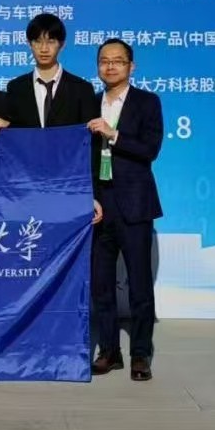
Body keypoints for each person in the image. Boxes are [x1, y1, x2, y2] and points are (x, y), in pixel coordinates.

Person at [86, 38, 164, 381]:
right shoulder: (89, 103)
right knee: (101, 285)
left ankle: (141, 354)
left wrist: (113, 134)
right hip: (98, 205)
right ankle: (109, 351)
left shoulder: (147, 102)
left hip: (134, 204)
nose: (110, 66)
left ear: (131, 66)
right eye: (104, 61)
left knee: (139, 286)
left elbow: (150, 149)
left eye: (118, 61)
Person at [0, 12, 98, 133]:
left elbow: (88, 136)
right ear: (29, 44)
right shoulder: (16, 88)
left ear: (62, 44)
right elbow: (16, 132)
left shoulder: (81, 89)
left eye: (51, 41)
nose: (44, 49)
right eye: (38, 41)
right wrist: (6, 126)